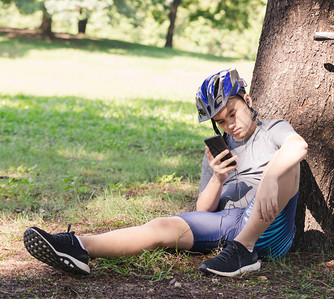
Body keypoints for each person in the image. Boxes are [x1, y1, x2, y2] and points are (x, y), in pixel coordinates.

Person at [23, 68, 308, 277]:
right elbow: (204, 209)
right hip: (226, 224)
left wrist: (270, 176)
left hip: (268, 225)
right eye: (221, 122)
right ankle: (79, 247)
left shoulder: (272, 130)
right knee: (162, 226)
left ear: (246, 99)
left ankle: (244, 251)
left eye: (232, 113)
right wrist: (218, 178)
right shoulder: (219, 149)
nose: (229, 125)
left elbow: (298, 146)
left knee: (288, 165)